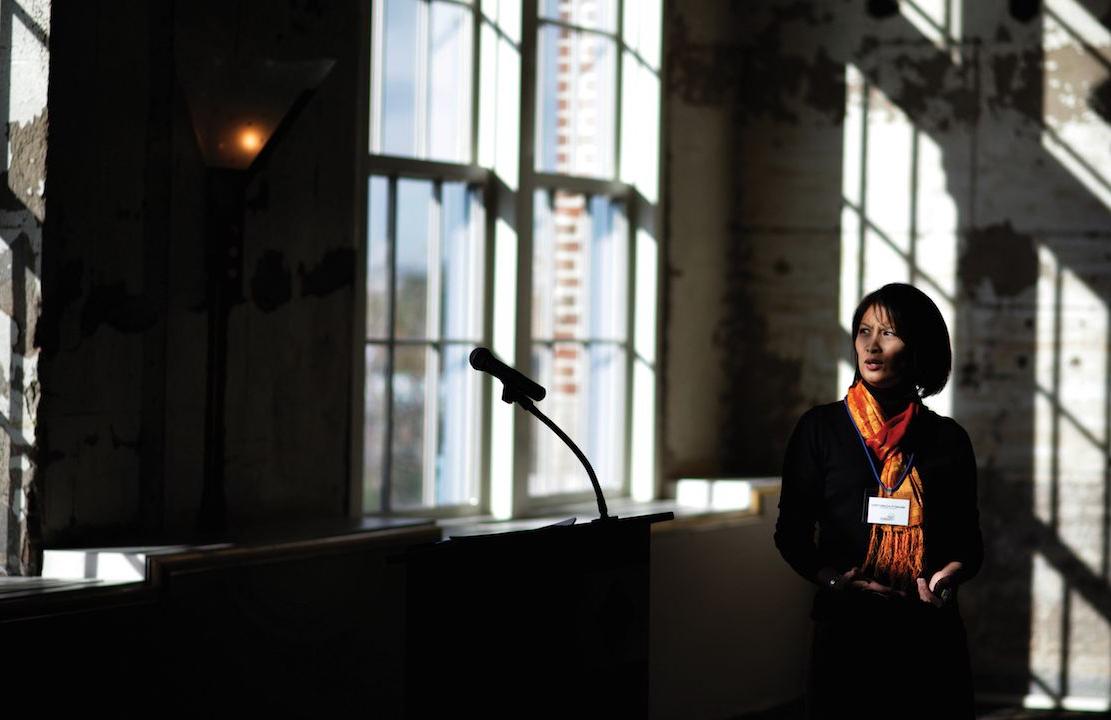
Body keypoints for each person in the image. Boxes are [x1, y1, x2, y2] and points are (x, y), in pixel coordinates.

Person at [774, 283, 983, 720]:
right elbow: (791, 535)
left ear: (919, 346)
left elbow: (970, 545)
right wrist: (835, 582)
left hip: (927, 634)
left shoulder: (948, 439)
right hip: (848, 631)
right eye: (864, 331)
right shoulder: (820, 429)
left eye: (888, 333)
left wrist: (946, 578)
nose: (871, 345)